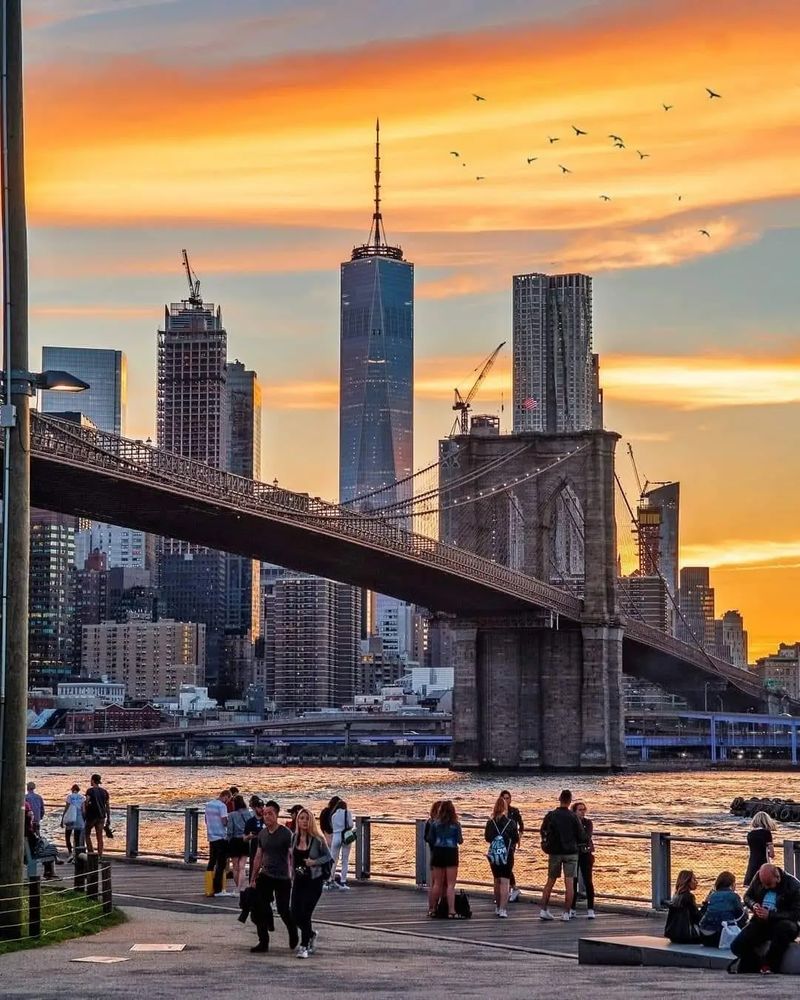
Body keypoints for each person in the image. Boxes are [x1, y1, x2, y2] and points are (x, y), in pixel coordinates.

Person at [731, 863, 800, 974]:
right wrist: (753, 905)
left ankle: (769, 963)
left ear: (777, 877)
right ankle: (755, 962)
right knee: (736, 945)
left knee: (782, 929)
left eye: (768, 884)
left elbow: (796, 913)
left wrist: (771, 915)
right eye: (763, 884)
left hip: (783, 924)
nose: (766, 887)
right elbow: (747, 896)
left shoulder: (793, 886)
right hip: (761, 922)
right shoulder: (759, 877)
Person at [249, 800, 298, 954]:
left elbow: (292, 855)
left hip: (283, 877)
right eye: (265, 814)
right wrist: (253, 877)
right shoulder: (262, 834)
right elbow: (258, 856)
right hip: (266, 875)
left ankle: (292, 930)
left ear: (277, 815)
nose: (267, 817)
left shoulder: (286, 834)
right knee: (259, 908)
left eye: (270, 814)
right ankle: (263, 941)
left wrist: (293, 874)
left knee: (284, 910)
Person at [289, 807, 333, 958]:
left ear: (311, 821)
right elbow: (291, 858)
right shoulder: (294, 838)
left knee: (306, 913)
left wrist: (314, 862)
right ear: (297, 820)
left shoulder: (318, 839)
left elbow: (328, 857)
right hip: (298, 881)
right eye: (301, 818)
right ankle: (311, 934)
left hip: (314, 881)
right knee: (294, 913)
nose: (304, 821)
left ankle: (304, 946)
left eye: (307, 819)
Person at [539, 789, 584, 922]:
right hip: (571, 852)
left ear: (559, 799)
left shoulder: (551, 815)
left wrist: (546, 842)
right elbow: (581, 835)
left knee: (550, 881)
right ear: (570, 801)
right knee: (569, 883)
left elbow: (543, 830)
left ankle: (543, 910)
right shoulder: (573, 816)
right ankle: (566, 913)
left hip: (555, 851)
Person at [426, 800, 463, 918]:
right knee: (451, 884)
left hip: (437, 852)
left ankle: (433, 909)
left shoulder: (435, 824)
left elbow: (430, 838)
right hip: (451, 852)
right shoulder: (456, 824)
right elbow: (460, 840)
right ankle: (451, 911)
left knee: (437, 883)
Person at [485, 794, 519, 919]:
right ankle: (503, 909)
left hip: (494, 854)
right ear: (505, 808)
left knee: (497, 880)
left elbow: (487, 838)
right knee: (505, 881)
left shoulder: (490, 822)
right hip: (507, 854)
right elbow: (515, 838)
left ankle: (497, 906)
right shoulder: (510, 823)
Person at [698, 871, 746, 947]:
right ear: (732, 884)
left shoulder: (713, 895)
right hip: (721, 936)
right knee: (742, 918)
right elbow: (741, 916)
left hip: (704, 935)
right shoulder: (733, 896)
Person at [205, 788, 232, 897]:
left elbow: (206, 821)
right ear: (225, 796)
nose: (228, 802)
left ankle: (208, 887)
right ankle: (218, 889)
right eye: (228, 799)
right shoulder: (222, 806)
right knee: (221, 864)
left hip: (211, 836)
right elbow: (224, 821)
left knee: (211, 862)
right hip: (221, 837)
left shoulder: (209, 805)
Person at [572, 800, 596, 919]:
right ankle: (572, 908)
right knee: (573, 881)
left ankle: (591, 908)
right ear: (574, 811)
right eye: (580, 810)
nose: (582, 812)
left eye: (583, 810)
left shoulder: (588, 823)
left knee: (588, 881)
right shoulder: (571, 823)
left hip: (586, 853)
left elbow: (587, 837)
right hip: (574, 853)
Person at [664, 870, 701, 943]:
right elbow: (697, 917)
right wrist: (706, 904)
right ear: (687, 881)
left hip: (674, 935)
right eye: (694, 879)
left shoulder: (676, 896)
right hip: (687, 935)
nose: (696, 882)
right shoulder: (688, 897)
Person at [500, 790, 524, 902]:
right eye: (504, 798)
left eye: (507, 798)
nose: (506, 800)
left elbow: (521, 825)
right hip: (501, 842)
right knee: (502, 865)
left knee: (508, 865)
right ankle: (509, 888)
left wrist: (519, 838)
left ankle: (513, 888)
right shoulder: (498, 812)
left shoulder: (514, 811)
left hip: (511, 842)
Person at [24, 800, 56, 879]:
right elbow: (34, 842)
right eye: (31, 814)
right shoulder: (28, 830)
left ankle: (50, 871)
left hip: (27, 849)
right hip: (30, 853)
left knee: (46, 845)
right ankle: (50, 873)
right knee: (50, 849)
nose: (32, 815)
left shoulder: (24, 828)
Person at [226, 794, 252, 893]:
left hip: (234, 841)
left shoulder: (232, 815)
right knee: (242, 866)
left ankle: (238, 887)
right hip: (245, 840)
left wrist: (227, 840)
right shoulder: (249, 814)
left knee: (235, 867)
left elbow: (230, 831)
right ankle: (240, 887)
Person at [744, 811, 776, 887]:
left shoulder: (750, 834)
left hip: (752, 862)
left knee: (751, 885)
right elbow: (772, 854)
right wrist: (770, 853)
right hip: (763, 862)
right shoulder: (766, 833)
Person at [329, 798, 355, 890]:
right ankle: (343, 882)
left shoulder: (333, 815)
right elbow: (351, 825)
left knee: (333, 860)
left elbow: (332, 826)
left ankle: (330, 880)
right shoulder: (347, 813)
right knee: (345, 860)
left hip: (336, 837)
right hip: (345, 837)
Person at [83, 773, 110, 857]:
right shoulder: (105, 792)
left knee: (86, 834)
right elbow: (107, 806)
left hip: (91, 816)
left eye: (91, 780)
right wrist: (108, 818)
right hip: (101, 816)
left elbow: (87, 802)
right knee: (99, 836)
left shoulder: (90, 791)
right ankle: (100, 855)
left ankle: (91, 853)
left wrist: (84, 806)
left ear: (93, 780)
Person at [61, 782, 86, 860]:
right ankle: (77, 854)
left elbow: (66, 808)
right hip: (78, 819)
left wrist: (62, 819)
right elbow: (83, 810)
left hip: (70, 818)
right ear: (78, 790)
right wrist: (84, 820)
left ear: (72, 790)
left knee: (67, 836)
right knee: (77, 837)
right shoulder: (82, 797)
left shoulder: (69, 797)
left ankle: (70, 852)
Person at [245, 796, 265, 875]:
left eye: (263, 806)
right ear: (255, 808)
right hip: (254, 847)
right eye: (260, 807)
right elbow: (245, 838)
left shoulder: (267, 819)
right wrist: (250, 836)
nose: (262, 809)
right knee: (253, 868)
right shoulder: (250, 821)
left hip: (266, 847)